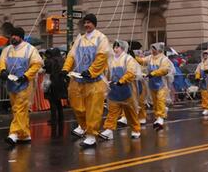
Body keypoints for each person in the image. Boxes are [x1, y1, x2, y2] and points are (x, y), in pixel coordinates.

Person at [62, 13, 110, 147]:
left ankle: (91, 135)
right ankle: (84, 127)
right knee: (77, 106)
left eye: (89, 22)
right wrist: (65, 69)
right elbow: (71, 55)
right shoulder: (80, 39)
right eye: (85, 22)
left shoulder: (101, 38)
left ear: (94, 24)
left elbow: (102, 57)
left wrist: (90, 71)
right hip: (78, 80)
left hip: (94, 81)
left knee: (93, 109)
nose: (86, 25)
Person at [0, 27, 42, 146]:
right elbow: (2, 61)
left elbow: (37, 64)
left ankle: (13, 133)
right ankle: (24, 134)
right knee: (17, 109)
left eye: (16, 35)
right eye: (12, 35)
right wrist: (2, 70)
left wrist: (26, 76)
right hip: (11, 83)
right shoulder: (7, 50)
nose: (13, 37)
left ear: (21, 37)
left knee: (20, 108)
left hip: (25, 84)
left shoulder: (30, 49)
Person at [100, 40, 141, 140]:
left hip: (126, 90)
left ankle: (136, 129)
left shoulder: (128, 59)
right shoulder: (110, 60)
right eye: (114, 47)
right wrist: (106, 81)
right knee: (112, 112)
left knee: (130, 112)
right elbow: (106, 72)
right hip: (114, 90)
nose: (115, 49)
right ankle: (109, 130)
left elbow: (131, 72)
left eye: (117, 47)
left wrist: (122, 80)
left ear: (123, 48)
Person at [144, 42, 173, 129]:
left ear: (158, 49)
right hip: (152, 83)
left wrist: (154, 73)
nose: (152, 50)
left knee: (160, 99)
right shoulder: (150, 58)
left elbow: (164, 70)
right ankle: (158, 116)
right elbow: (142, 61)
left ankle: (160, 117)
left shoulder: (164, 59)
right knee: (155, 102)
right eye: (151, 48)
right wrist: (134, 57)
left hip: (161, 83)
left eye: (154, 48)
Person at [42, 48, 66, 126]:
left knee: (52, 101)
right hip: (60, 83)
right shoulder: (62, 60)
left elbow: (46, 68)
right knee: (58, 101)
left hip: (52, 83)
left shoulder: (51, 60)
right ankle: (61, 118)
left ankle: (54, 119)